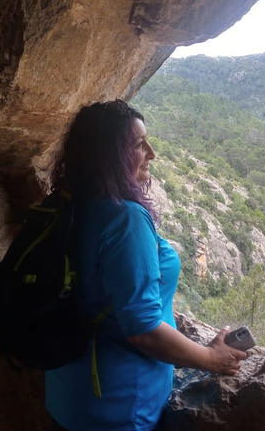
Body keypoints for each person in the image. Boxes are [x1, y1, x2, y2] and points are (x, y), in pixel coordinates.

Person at [45, 99, 246, 431]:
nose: (152, 152)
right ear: (111, 155)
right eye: (139, 144)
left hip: (68, 391)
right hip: (118, 406)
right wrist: (211, 358)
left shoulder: (68, 202)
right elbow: (144, 329)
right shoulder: (123, 218)